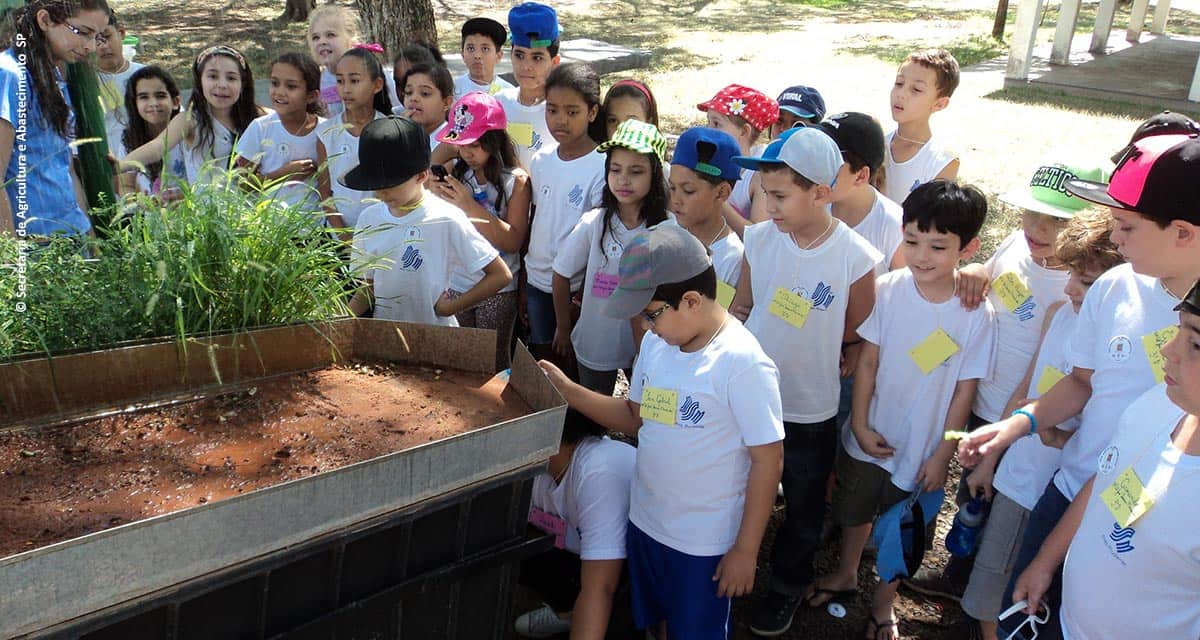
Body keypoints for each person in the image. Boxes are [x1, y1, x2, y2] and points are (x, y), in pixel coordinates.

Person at [958, 133, 1200, 638]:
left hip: (1157, 531)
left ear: (1182, 232)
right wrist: (1016, 426)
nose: (1114, 241)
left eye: (1126, 226)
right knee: (1024, 619)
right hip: (1075, 490)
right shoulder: (1116, 284)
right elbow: (1082, 381)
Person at [539, 222, 785, 639]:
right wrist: (569, 392)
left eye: (651, 314)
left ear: (690, 300)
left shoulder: (742, 364)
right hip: (647, 521)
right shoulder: (658, 344)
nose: (646, 326)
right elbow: (635, 416)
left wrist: (746, 549)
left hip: (702, 544)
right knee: (659, 623)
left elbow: (768, 459)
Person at [903, 162, 1103, 601]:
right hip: (983, 398)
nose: (1038, 228)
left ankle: (986, 592)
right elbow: (986, 272)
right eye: (1032, 214)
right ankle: (959, 573)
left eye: (1057, 220)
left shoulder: (1079, 289)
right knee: (971, 492)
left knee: (1006, 506)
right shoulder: (1015, 244)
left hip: (1031, 417)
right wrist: (976, 273)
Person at [818, 180, 996, 640]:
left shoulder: (976, 312)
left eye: (938, 246)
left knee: (903, 531)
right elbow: (870, 360)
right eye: (912, 240)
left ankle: (883, 604)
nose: (921, 255)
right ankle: (845, 574)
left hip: (922, 449)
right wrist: (857, 423)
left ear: (968, 247)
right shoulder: (890, 288)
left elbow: (964, 391)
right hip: (872, 431)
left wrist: (943, 455)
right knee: (855, 510)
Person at [732, 127, 882, 637]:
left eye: (779, 195)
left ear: (821, 192)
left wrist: (847, 348)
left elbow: (860, 324)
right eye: (764, 194)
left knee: (802, 502)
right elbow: (743, 306)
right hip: (750, 394)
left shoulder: (853, 255)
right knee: (738, 482)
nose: (768, 206)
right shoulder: (759, 238)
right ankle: (732, 562)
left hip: (810, 406)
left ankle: (786, 587)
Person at [958, 209, 1124, 640]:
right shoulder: (1058, 313)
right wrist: (990, 459)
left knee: (1027, 601)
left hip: (1060, 492)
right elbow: (1025, 390)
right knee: (990, 587)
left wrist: (1061, 438)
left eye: (1086, 282)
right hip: (1017, 477)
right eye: (1073, 275)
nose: (1070, 287)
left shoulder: (1123, 353)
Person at [1010, 279, 1200, 640]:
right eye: (1179, 330)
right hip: (1064, 623)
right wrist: (1045, 561)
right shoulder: (1158, 403)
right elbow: (1107, 480)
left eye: (1196, 343)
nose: (1169, 350)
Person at [344, 116, 511, 325]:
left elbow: (500, 274)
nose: (382, 194)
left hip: (437, 338)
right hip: (386, 336)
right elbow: (368, 288)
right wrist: (340, 321)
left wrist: (449, 307)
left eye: (391, 185)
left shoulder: (445, 218)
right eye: (375, 185)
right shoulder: (368, 218)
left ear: (422, 176)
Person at [551, 119, 669, 395]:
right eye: (615, 169)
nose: (623, 179)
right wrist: (564, 326)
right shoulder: (595, 222)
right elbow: (561, 272)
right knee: (593, 418)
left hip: (648, 344)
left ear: (655, 174)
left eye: (636, 171)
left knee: (644, 412)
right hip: (595, 341)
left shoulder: (666, 229)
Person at [513, 409, 638, 639]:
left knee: (615, 617)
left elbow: (601, 589)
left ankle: (607, 620)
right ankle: (569, 613)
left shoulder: (597, 473)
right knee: (524, 555)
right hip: (583, 554)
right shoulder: (541, 466)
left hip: (635, 569)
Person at [429, 91, 531, 370]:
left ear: (494, 140)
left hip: (497, 288)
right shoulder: (458, 172)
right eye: (461, 144)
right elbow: (429, 166)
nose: (467, 153)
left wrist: (468, 205)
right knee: (460, 362)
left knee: (493, 365)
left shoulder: (516, 181)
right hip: (457, 282)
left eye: (475, 144)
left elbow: (512, 241)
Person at [0, 0, 108, 237]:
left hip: (71, 235)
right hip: (33, 247)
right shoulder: (9, 75)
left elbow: (65, 166)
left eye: (97, 37)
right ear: (45, 20)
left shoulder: (56, 80)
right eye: (83, 32)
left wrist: (89, 236)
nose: (90, 46)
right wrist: (11, 258)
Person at [524, 63, 606, 362]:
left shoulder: (602, 165)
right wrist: (524, 283)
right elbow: (535, 220)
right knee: (543, 356)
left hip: (574, 290)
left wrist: (578, 297)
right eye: (552, 110)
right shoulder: (542, 160)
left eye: (572, 112)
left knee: (571, 362)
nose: (560, 120)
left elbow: (599, 238)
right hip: (536, 281)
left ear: (592, 113)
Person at [120, 45, 267, 187]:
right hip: (207, 210)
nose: (222, 84)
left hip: (254, 209)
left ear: (243, 83)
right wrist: (118, 166)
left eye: (231, 78)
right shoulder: (190, 120)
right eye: (213, 76)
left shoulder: (259, 116)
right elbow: (158, 147)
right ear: (200, 81)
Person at [234, 52, 326, 215]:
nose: (280, 92)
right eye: (275, 83)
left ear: (312, 96)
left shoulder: (326, 130)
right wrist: (284, 173)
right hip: (272, 229)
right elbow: (243, 185)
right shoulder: (260, 128)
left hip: (316, 227)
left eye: (291, 86)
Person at [818, 111, 905, 275]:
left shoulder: (895, 226)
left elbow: (904, 292)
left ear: (861, 176)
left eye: (831, 158)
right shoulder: (809, 204)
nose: (817, 163)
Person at [316, 47, 392, 234]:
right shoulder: (326, 133)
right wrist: (344, 237)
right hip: (339, 238)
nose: (346, 89)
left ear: (377, 84)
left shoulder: (389, 130)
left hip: (381, 234)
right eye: (340, 81)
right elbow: (325, 192)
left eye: (355, 80)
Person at [668, 127, 743, 304]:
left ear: (721, 193)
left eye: (688, 191)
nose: (676, 200)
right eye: (672, 188)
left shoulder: (733, 259)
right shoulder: (666, 233)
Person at [697, 83, 778, 234]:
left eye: (716, 123)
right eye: (708, 122)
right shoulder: (707, 162)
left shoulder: (758, 175)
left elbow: (757, 235)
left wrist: (717, 200)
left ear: (743, 131)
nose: (709, 130)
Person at [882, 48, 960, 205]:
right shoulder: (876, 144)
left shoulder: (942, 162)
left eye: (916, 89)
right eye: (899, 83)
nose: (901, 94)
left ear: (939, 104)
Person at [494, 2, 561, 168]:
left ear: (554, 62)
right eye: (519, 55)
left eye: (537, 57)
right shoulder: (498, 104)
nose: (526, 66)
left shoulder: (561, 111)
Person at [307, 4, 398, 116]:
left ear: (351, 39)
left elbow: (396, 110)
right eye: (315, 37)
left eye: (330, 35)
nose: (322, 41)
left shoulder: (376, 74)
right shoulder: (318, 81)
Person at [115, 65, 185, 196]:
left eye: (160, 96)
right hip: (153, 214)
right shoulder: (129, 138)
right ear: (134, 104)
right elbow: (126, 186)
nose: (153, 103)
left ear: (176, 101)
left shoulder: (187, 130)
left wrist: (184, 196)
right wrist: (139, 201)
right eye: (144, 97)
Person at [95, 7, 144, 154]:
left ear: (121, 33)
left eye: (107, 36)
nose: (103, 46)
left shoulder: (144, 75)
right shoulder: (84, 85)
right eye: (95, 40)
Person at [454, 17, 514, 99]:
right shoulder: (453, 90)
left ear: (498, 56)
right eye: (471, 48)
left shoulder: (508, 93)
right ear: (463, 54)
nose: (477, 55)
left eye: (485, 49)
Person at [398, 62, 453, 148]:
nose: (413, 98)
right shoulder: (401, 136)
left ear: (446, 103)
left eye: (425, 93)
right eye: (408, 92)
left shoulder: (452, 142)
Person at [391, 41, 444, 106]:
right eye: (398, 84)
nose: (403, 92)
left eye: (424, 92)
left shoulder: (455, 114)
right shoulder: (396, 113)